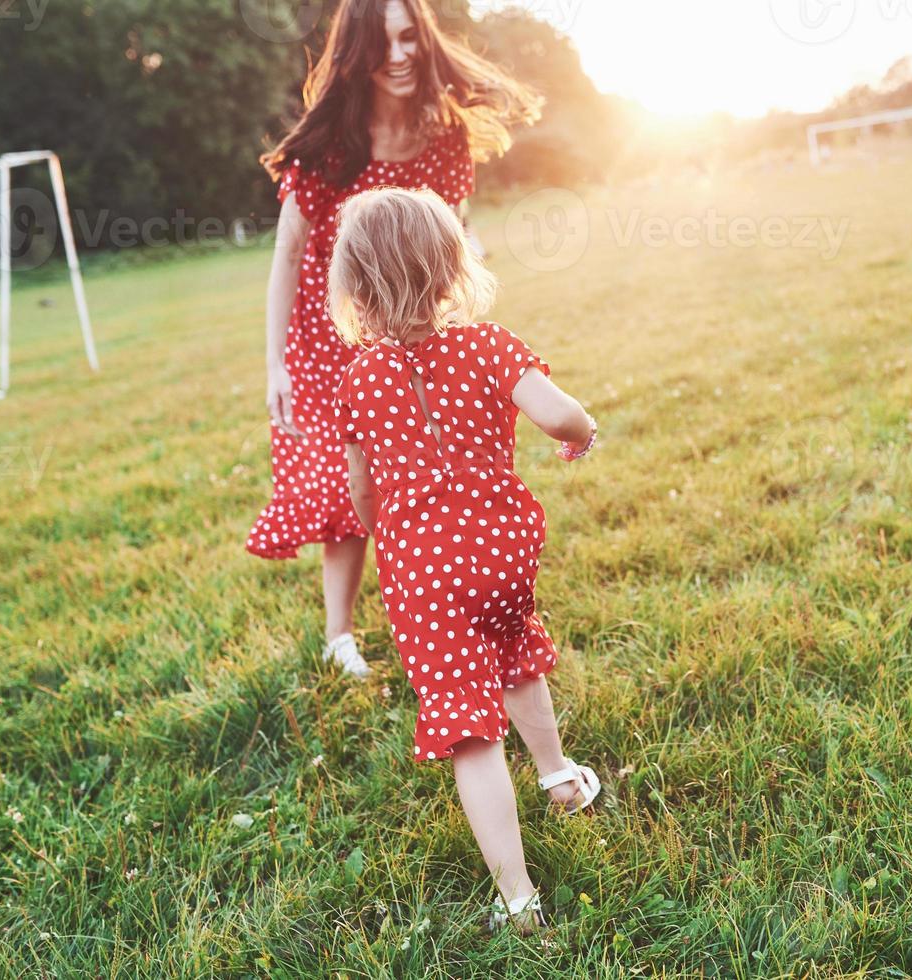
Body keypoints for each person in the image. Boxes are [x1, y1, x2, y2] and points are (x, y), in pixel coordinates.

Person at [328, 186, 601, 934]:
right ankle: (560, 782)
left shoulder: (358, 380)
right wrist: (584, 432)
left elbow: (360, 491)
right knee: (518, 651)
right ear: (452, 265)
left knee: (469, 732)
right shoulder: (490, 345)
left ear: (356, 287)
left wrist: (380, 527)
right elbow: (557, 414)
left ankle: (517, 898)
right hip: (504, 553)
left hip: (425, 574)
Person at [247, 0, 541, 680]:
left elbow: (455, 236)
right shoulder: (331, 148)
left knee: (434, 477)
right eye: (383, 45)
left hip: (415, 342)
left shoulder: (444, 139)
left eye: (410, 37)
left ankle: (459, 599)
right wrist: (276, 367)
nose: (401, 55)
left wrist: (468, 283)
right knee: (341, 491)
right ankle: (339, 634)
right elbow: (288, 257)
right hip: (327, 343)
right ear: (356, 56)